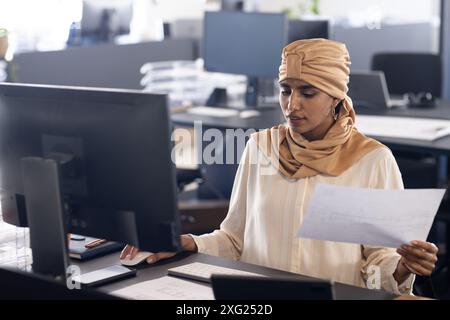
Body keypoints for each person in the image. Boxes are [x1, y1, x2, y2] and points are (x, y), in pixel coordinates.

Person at [121, 39, 438, 295]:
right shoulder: (260, 147)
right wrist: (189, 242)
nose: (292, 104)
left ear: (337, 98)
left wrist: (402, 267)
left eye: (308, 92)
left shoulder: (371, 160)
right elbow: (234, 240)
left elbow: (379, 261)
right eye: (286, 90)